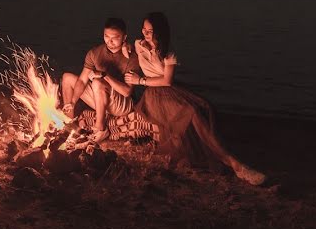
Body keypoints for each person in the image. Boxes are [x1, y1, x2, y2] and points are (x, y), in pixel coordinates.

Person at [123, 11, 266, 186]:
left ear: (159, 32)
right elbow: (128, 46)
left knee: (204, 107)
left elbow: (167, 81)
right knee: (191, 112)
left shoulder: (169, 52)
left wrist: (140, 80)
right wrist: (125, 46)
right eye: (144, 29)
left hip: (167, 89)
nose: (145, 33)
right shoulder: (139, 44)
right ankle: (233, 163)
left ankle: (224, 155)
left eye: (150, 31)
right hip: (153, 94)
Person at [61, 17, 140, 143]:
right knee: (67, 78)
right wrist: (73, 101)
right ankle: (69, 124)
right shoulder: (95, 53)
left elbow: (127, 92)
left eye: (115, 37)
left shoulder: (132, 58)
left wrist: (105, 76)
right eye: (106, 36)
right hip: (101, 97)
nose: (110, 41)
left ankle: (101, 128)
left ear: (124, 38)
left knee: (97, 82)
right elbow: (82, 81)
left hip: (122, 103)